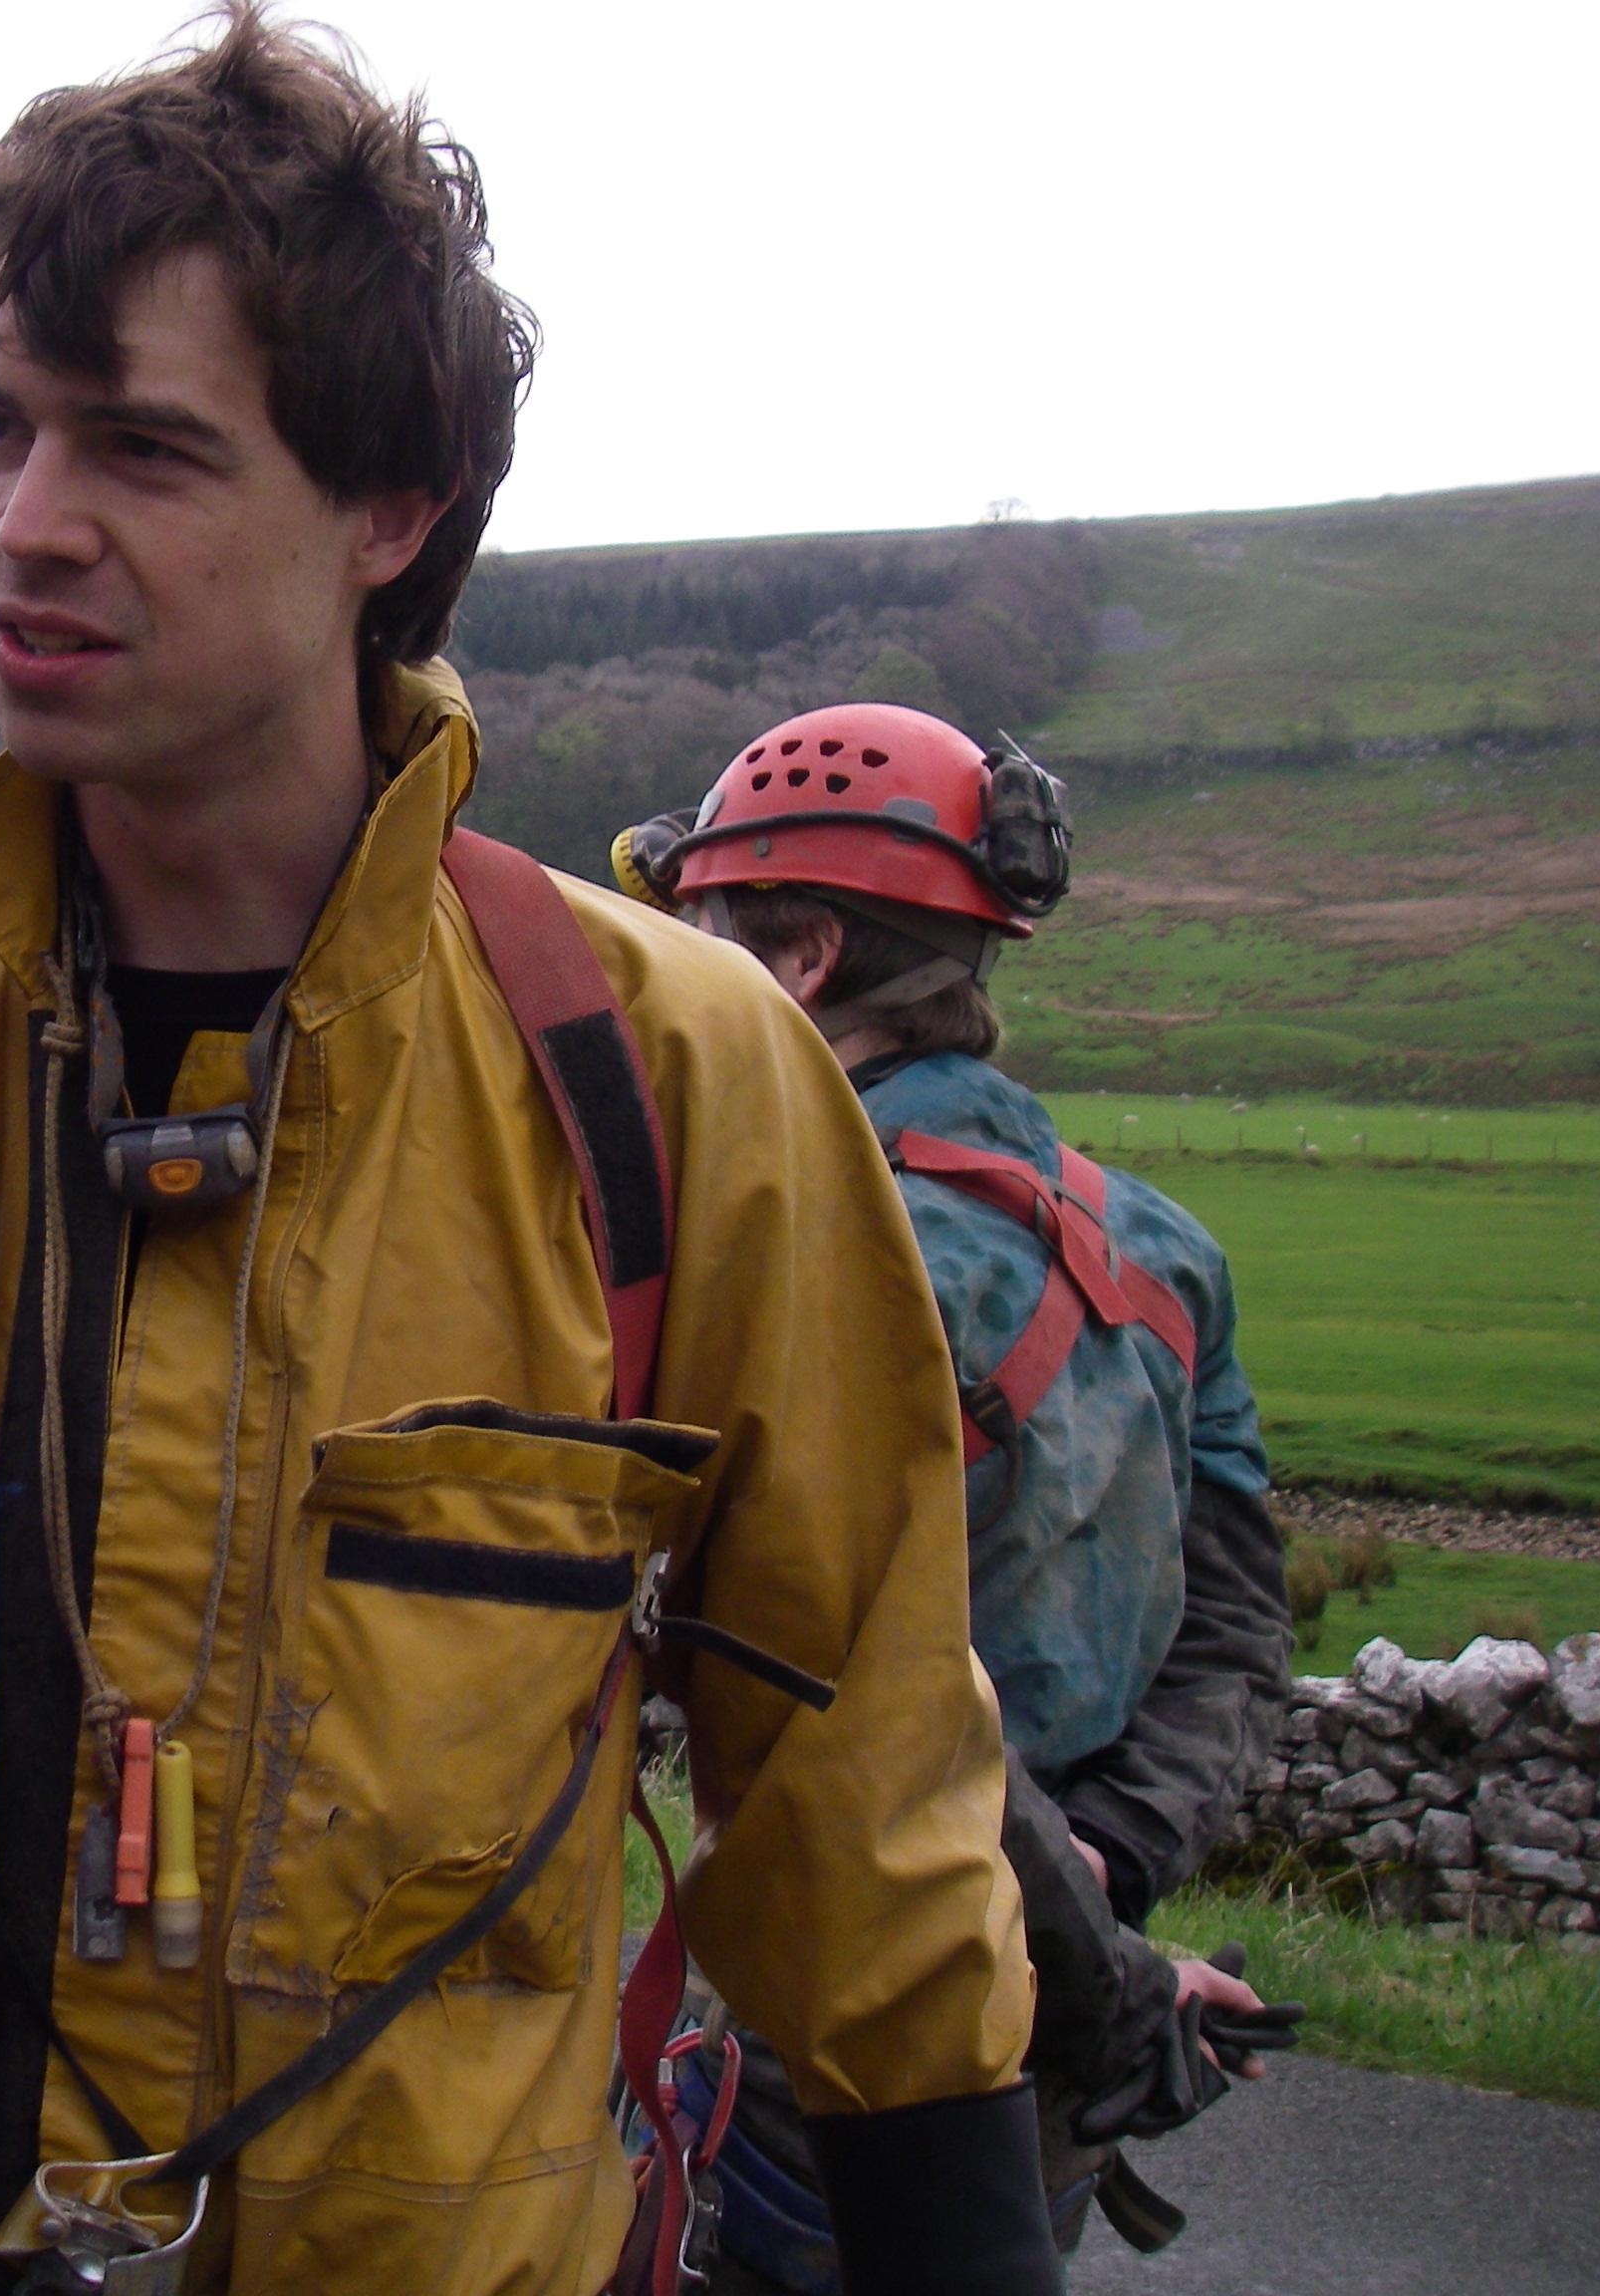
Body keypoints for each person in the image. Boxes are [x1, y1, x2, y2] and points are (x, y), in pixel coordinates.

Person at [0, 15, 1065, 2294]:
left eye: (145, 447)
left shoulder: (675, 1082)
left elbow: (862, 1781)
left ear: (387, 511)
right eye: (0, 425)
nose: (26, 524)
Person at [611, 703, 1303, 2288]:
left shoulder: (789, 1248)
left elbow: (879, 1709)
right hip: (1050, 2052)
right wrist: (1108, 1886)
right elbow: (1236, 1627)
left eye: (705, 932)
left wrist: (1096, 1958)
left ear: (800, 964)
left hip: (827, 2043)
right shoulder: (1162, 1251)